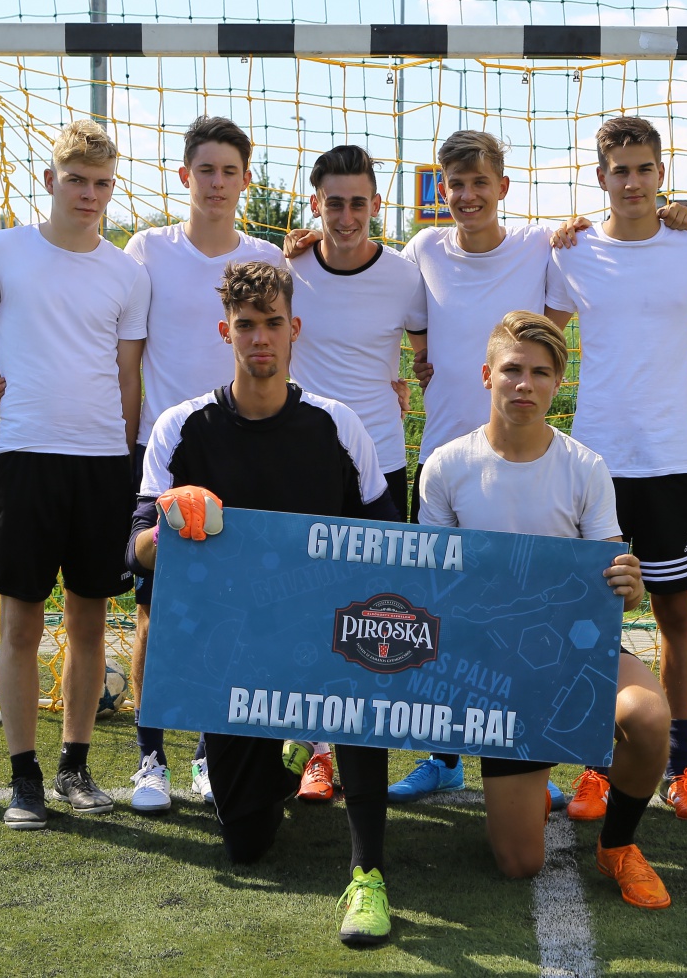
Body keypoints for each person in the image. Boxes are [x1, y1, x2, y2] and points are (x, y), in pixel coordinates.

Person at [298, 129, 687, 805]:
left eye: (480, 182)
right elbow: (403, 316)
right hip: (446, 460)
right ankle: (445, 757)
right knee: (442, 615)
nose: (468, 195)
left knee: (528, 615)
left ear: (503, 187)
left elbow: (599, 243)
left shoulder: (542, 244)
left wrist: (673, 213)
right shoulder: (423, 250)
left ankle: (543, 756)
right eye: (455, 184)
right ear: (441, 190)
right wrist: (315, 248)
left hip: (520, 459)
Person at [0, 116, 287, 815]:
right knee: (152, 614)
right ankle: (149, 758)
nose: (217, 183)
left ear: (246, 179)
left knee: (234, 612)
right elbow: (88, 324)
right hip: (157, 451)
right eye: (205, 170)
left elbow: (291, 330)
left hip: (241, 448)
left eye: (230, 171)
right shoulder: (145, 250)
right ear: (185, 176)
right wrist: (8, 380)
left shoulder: (271, 256)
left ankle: (211, 755)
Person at [127, 260, 401, 945]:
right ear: (226, 332)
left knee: (366, 662)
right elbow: (134, 552)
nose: (260, 338)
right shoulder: (181, 427)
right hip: (236, 657)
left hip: (329, 641)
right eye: (246, 325)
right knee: (246, 843)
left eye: (273, 324)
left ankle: (368, 870)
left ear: (294, 329)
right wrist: (171, 527)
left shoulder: (338, 425)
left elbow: (389, 541)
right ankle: (287, 757)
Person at [420, 311, 673, 909]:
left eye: (540, 373)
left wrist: (631, 585)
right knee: (519, 864)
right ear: (487, 375)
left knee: (646, 716)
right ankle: (527, 780)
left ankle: (618, 844)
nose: (524, 384)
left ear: (559, 383)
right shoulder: (447, 466)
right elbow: (430, 585)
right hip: (493, 669)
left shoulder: (585, 467)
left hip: (575, 649)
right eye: (512, 370)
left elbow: (614, 580)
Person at [0, 119, 150, 830]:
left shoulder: (127, 272)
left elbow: (128, 376)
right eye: (77, 180)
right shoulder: (3, 250)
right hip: (25, 458)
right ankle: (23, 778)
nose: (89, 194)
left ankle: (74, 766)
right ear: (50, 179)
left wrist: (129, 461)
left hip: (102, 466)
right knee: (21, 622)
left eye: (102, 184)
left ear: (112, 188)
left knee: (89, 621)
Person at [544, 116, 687, 824]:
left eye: (643, 169)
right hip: (596, 461)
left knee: (675, 613)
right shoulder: (572, 252)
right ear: (601, 178)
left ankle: (683, 767)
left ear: (660, 174)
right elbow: (540, 342)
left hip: (671, 458)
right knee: (596, 616)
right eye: (619, 171)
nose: (632, 182)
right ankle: (597, 765)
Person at [278, 144, 428, 803]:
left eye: (358, 204)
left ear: (376, 205)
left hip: (381, 464)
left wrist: (406, 381)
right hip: (305, 463)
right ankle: (315, 754)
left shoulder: (404, 276)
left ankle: (362, 749)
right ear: (315, 205)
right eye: (333, 204)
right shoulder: (287, 267)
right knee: (308, 610)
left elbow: (425, 351)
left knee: (373, 617)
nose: (345, 217)